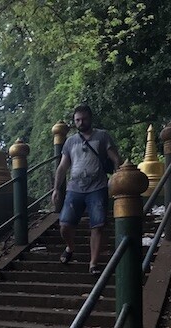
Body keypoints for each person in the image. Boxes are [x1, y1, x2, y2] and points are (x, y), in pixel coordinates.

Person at [52, 104, 122, 274]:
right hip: (74, 188)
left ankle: (93, 263)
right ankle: (70, 247)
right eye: (77, 120)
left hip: (97, 187)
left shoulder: (102, 136)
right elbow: (62, 167)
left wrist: (117, 176)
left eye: (84, 119)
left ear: (90, 119)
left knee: (97, 226)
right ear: (74, 122)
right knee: (64, 225)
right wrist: (56, 189)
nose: (81, 122)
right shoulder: (70, 141)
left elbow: (115, 158)